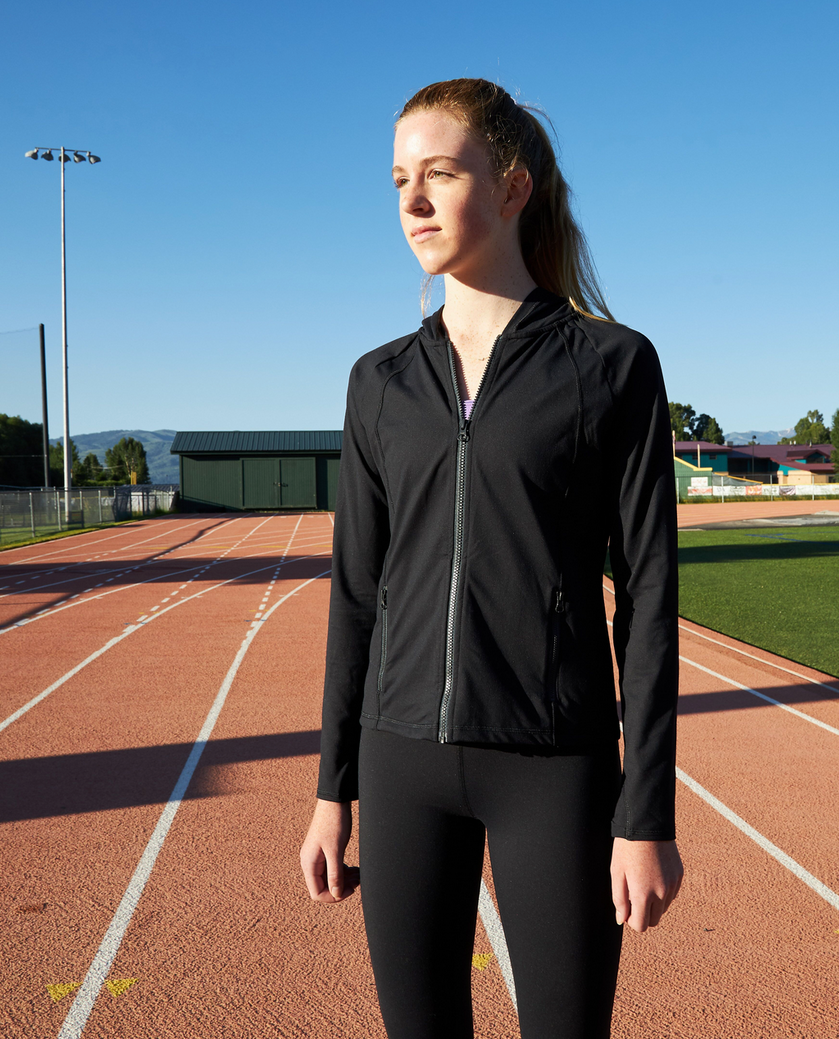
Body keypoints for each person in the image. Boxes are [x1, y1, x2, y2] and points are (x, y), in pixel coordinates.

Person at [299, 77, 682, 1039]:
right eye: (399, 181)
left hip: (554, 766)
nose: (413, 202)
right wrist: (331, 789)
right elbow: (357, 595)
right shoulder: (379, 382)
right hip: (401, 762)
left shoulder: (613, 366)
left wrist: (646, 812)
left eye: (439, 174)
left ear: (512, 188)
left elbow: (647, 596)